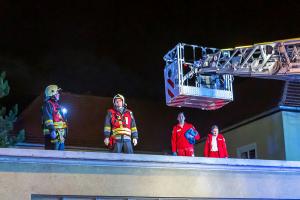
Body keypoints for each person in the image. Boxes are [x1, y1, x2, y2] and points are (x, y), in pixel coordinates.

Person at [42, 85, 68, 150]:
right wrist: (52, 130)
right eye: (57, 93)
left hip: (60, 134)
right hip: (52, 134)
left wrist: (65, 130)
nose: (58, 94)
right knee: (52, 154)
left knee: (60, 154)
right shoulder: (48, 104)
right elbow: (48, 119)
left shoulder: (57, 105)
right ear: (52, 93)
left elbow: (62, 119)